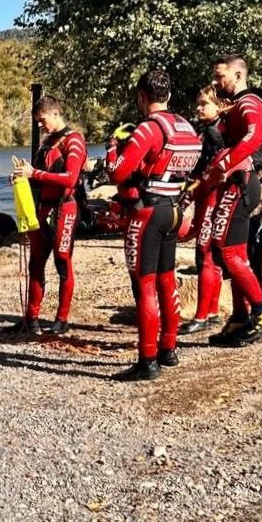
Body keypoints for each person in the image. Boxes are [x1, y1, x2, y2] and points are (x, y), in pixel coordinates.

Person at [106, 69, 202, 381]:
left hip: (148, 212)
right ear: (169, 96)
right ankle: (169, 349)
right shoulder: (185, 125)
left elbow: (117, 174)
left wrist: (111, 148)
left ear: (141, 97)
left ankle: (147, 360)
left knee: (145, 284)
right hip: (173, 209)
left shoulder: (148, 129)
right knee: (165, 279)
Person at [203, 55, 262, 346]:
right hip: (236, 184)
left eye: (220, 76)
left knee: (230, 254)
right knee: (231, 252)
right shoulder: (236, 105)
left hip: (240, 184)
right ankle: (239, 317)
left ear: (237, 75)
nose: (215, 81)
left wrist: (224, 165)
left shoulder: (249, 102)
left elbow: (252, 139)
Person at [11, 97, 87, 335]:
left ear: (55, 114)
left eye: (42, 121)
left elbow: (71, 179)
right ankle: (31, 318)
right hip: (43, 208)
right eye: (37, 122)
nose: (41, 126)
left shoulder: (73, 141)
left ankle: (61, 319)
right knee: (36, 262)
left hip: (65, 207)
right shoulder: (47, 143)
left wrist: (34, 172)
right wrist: (22, 177)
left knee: (62, 259)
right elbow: (37, 176)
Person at [179, 85, 227, 335]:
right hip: (210, 196)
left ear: (219, 106)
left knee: (204, 253)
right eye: (197, 104)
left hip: (211, 197)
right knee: (211, 254)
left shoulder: (214, 133)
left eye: (204, 104)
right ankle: (212, 311)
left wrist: (190, 191)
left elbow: (209, 172)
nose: (199, 108)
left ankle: (202, 315)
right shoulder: (212, 129)